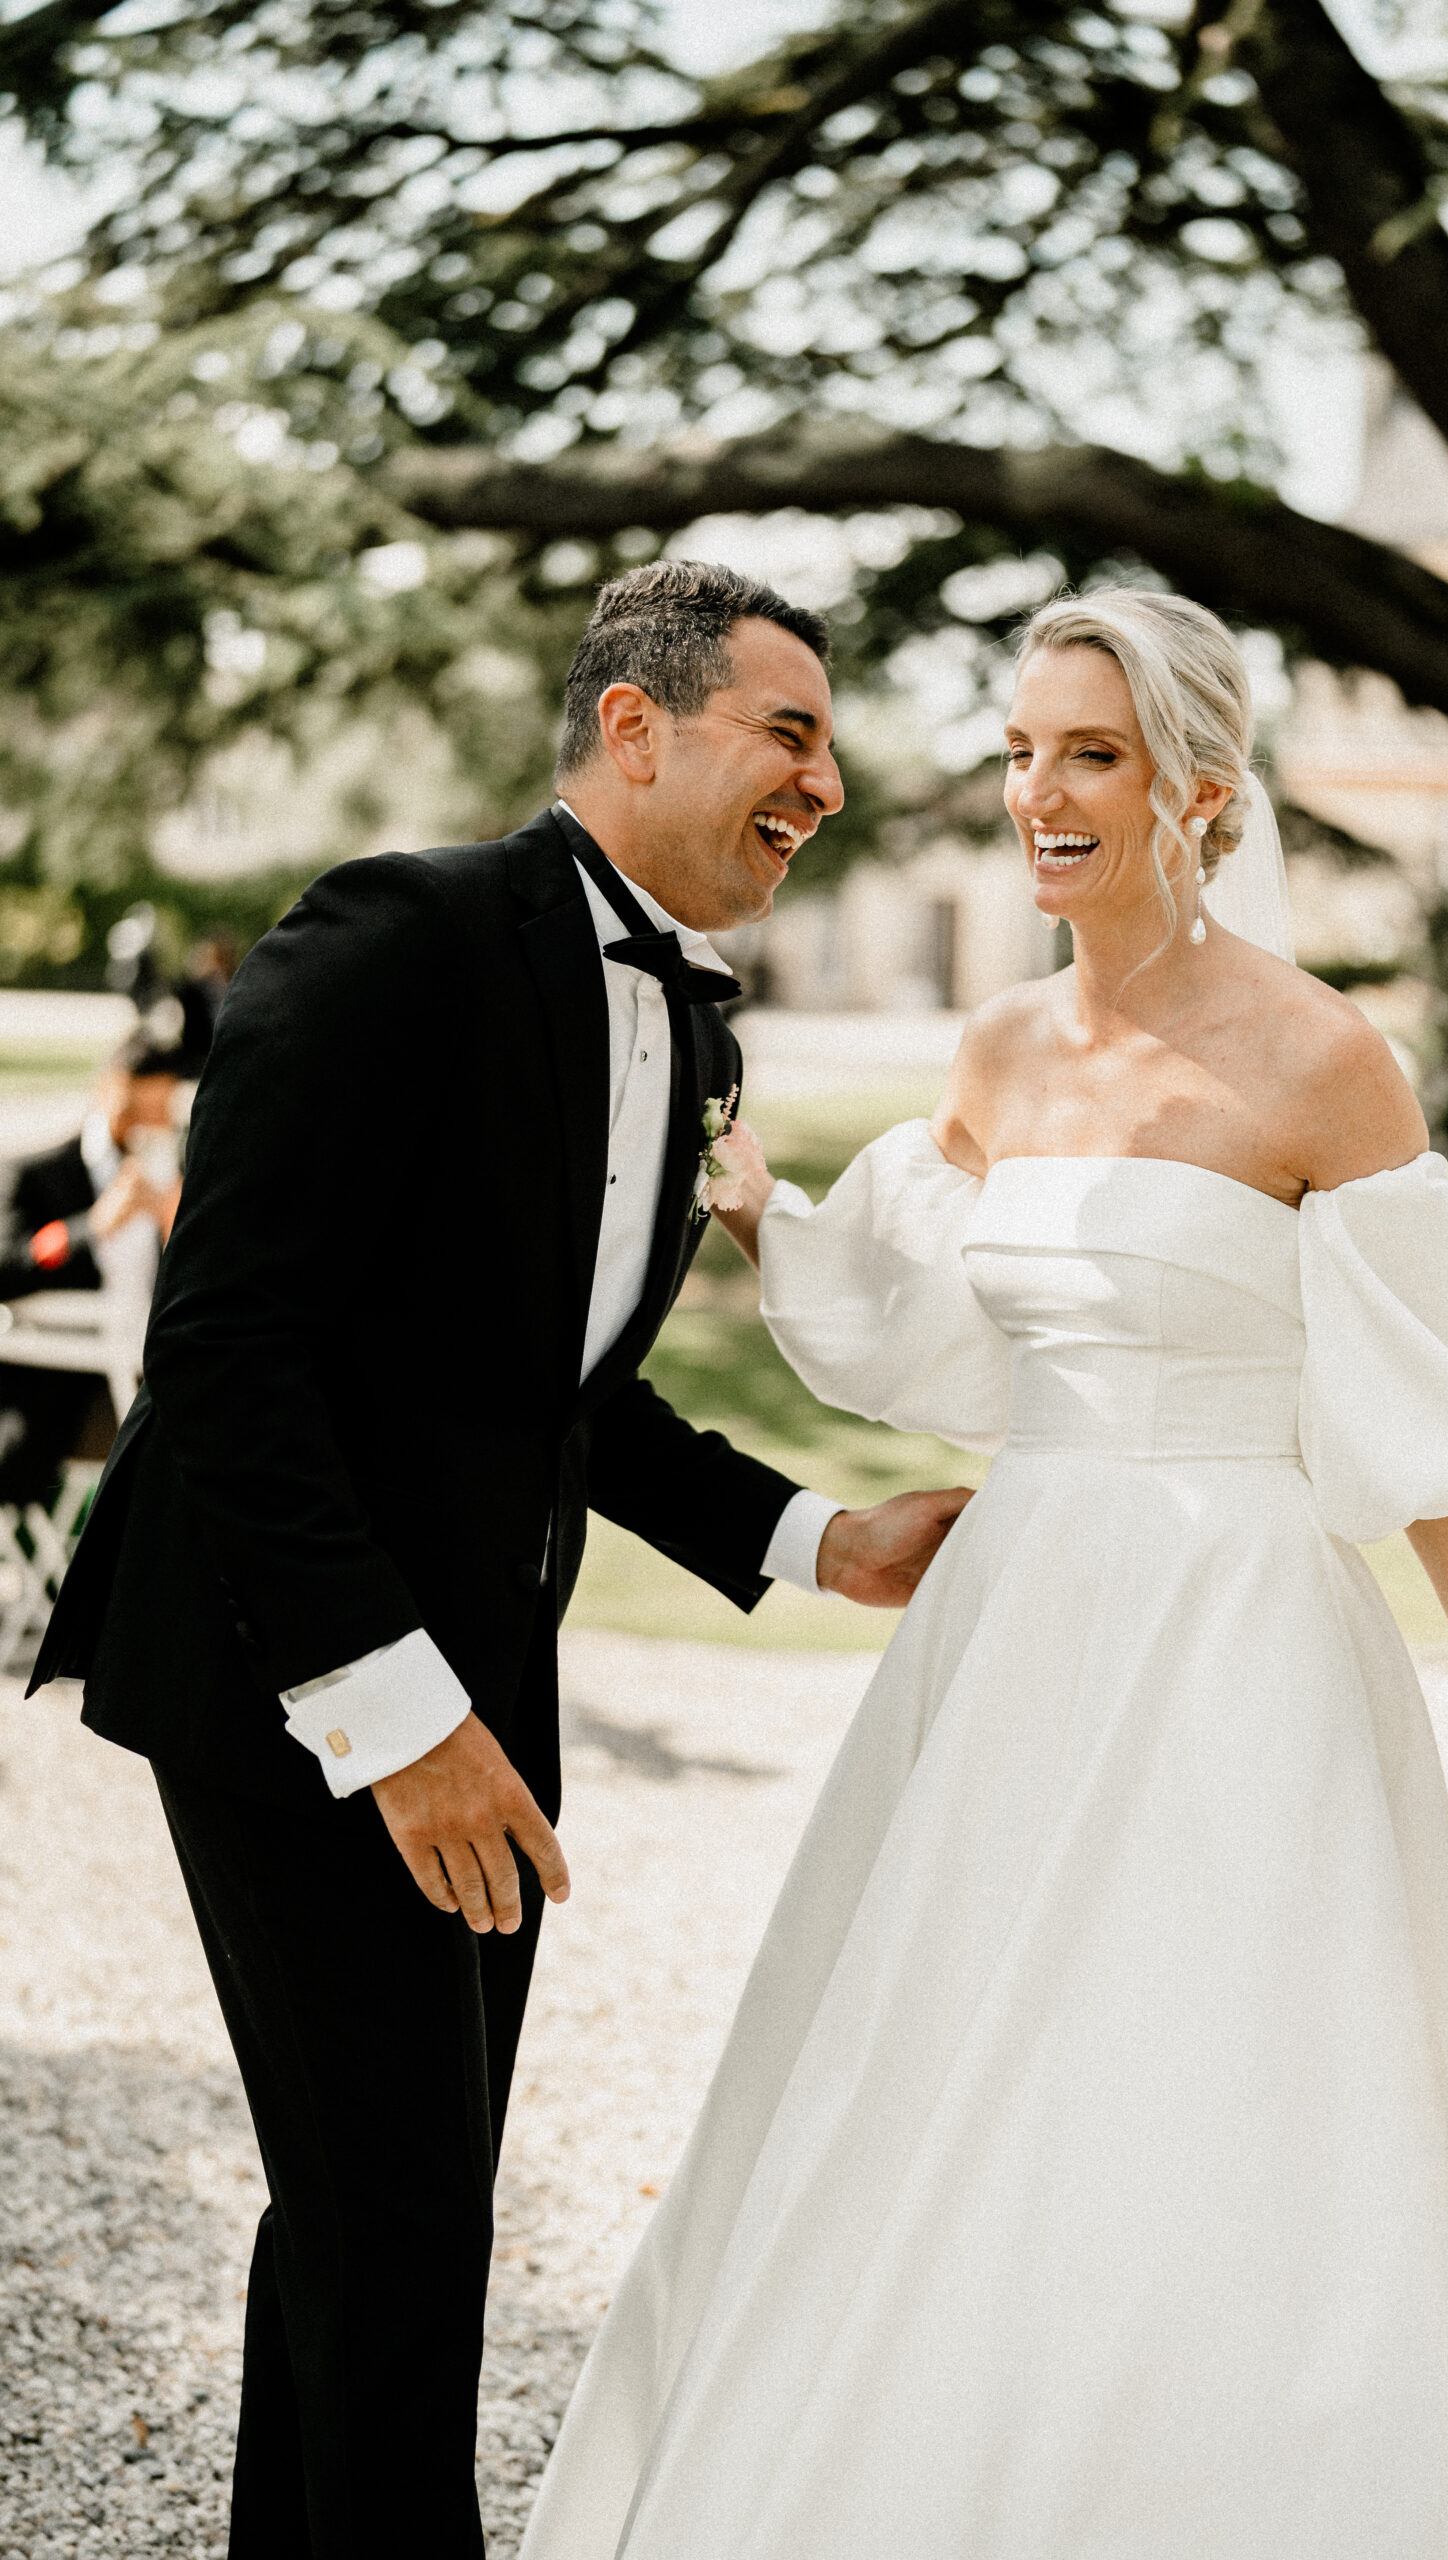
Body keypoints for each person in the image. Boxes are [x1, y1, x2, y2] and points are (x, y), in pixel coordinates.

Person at [521, 588, 1448, 2560]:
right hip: (1020, 1609)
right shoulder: (1000, 1043)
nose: (1038, 790)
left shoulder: (1320, 1061)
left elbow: (1431, 1435)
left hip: (1240, 1638)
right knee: (949, 2072)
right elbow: (914, 1293)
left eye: (1087, 753)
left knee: (1220, 2085)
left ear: (1197, 789)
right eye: (1022, 749)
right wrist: (772, 1220)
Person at [28, 560, 970, 2559]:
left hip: (488, 1681)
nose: (826, 778)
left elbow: (554, 1394)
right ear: (637, 728)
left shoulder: (686, 1035)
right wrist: (395, 1716)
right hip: (293, 1657)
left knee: (379, 2199)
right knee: (402, 2207)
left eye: (831, 742)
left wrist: (818, 1533)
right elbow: (227, 1344)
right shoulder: (402, 935)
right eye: (785, 730)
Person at [0, 1028, 188, 1505]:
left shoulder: (180, 1179)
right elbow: (7, 1266)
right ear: (110, 1088)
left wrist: (177, 1224)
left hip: (160, 1381)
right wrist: (94, 1226)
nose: (151, 1126)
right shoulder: (36, 1174)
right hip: (69, 1389)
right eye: (139, 1109)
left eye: (161, 1114)